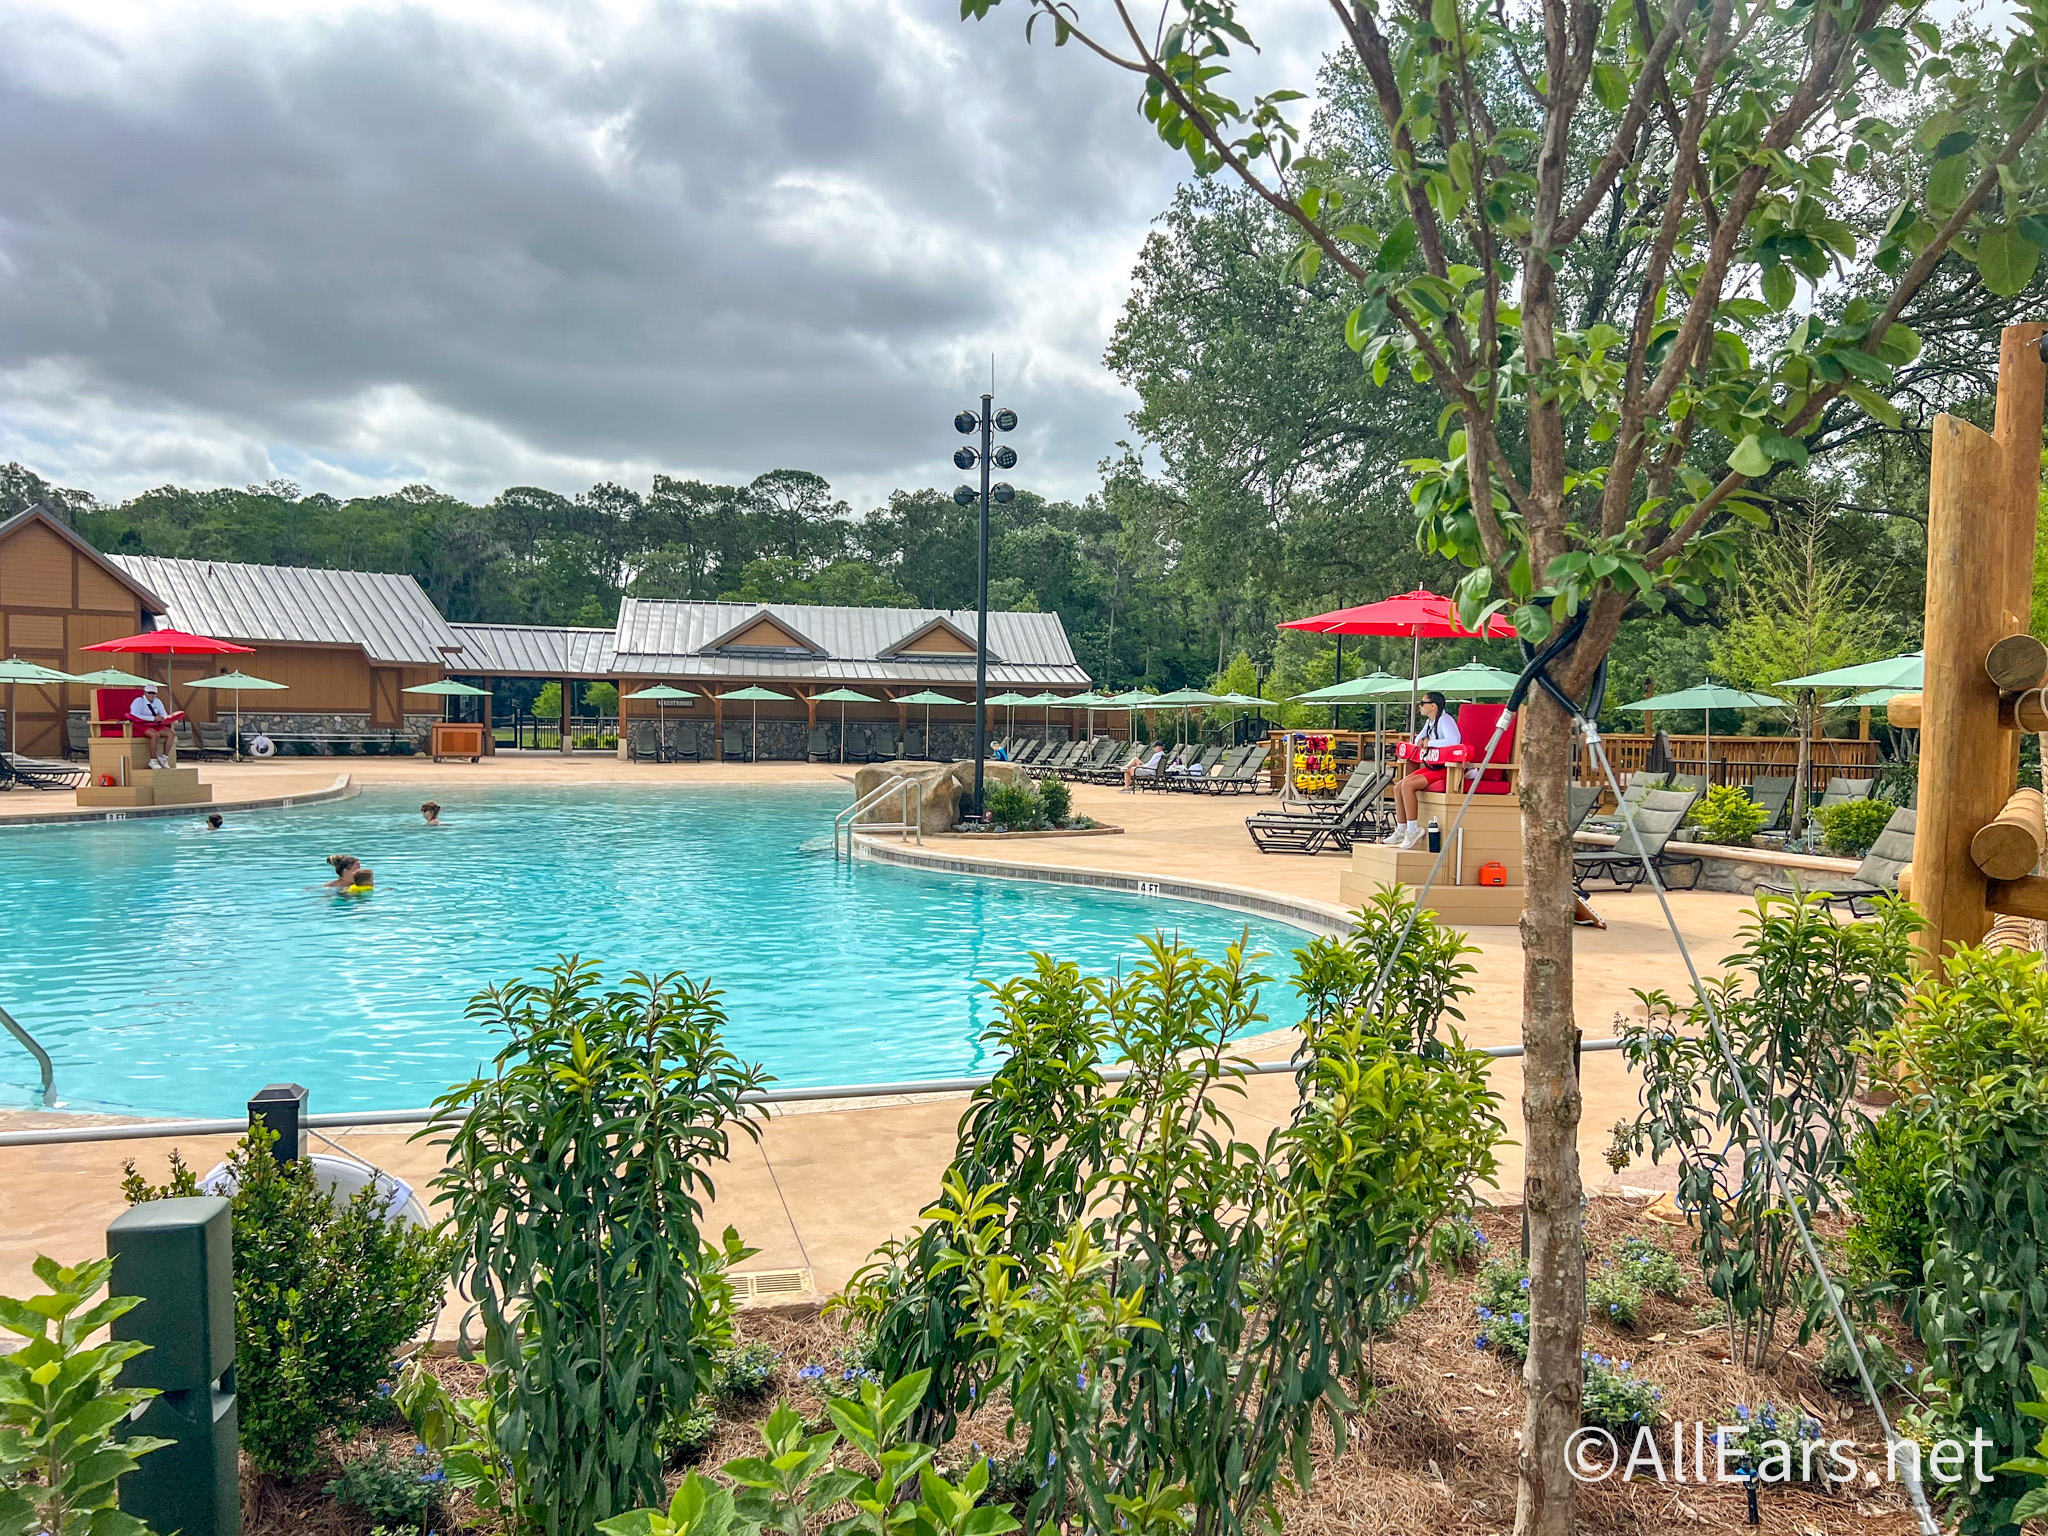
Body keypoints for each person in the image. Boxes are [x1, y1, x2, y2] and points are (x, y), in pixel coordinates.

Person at [1386, 692, 1461, 848]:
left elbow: (1454, 740)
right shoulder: (1430, 722)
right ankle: (1401, 829)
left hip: (1446, 769)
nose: (1420, 706)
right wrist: (1421, 740)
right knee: (1398, 786)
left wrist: (1430, 742)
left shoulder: (1445, 720)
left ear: (1433, 706)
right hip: (1433, 766)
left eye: (1422, 703)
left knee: (1408, 786)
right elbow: (1417, 739)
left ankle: (1413, 829)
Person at [127, 683, 184, 769]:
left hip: (153, 724)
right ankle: (153, 760)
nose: (151, 695)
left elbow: (164, 714)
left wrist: (162, 718)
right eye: (149, 693)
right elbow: (134, 715)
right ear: (145, 693)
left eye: (153, 693)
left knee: (171, 734)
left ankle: (164, 757)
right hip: (140, 724)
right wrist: (152, 718)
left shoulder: (158, 701)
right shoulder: (138, 701)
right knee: (155, 735)